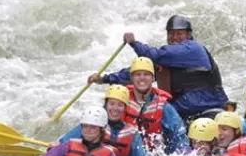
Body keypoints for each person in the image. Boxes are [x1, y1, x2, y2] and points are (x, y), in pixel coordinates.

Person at [88, 15, 229, 121]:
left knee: (156, 114)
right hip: (185, 107)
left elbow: (155, 56)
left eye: (179, 33)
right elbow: (139, 73)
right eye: (171, 34)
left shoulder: (193, 48)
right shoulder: (169, 58)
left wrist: (133, 43)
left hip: (207, 102)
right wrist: (105, 78)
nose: (174, 38)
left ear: (189, 35)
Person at [55, 85, 156, 156]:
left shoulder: (132, 133)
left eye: (120, 105)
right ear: (106, 105)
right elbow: (66, 142)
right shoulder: (92, 122)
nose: (115, 108)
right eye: (112, 104)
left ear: (125, 108)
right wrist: (56, 144)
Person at [121, 56, 190, 156]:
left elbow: (179, 137)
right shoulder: (121, 102)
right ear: (131, 78)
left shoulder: (164, 107)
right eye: (137, 74)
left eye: (146, 74)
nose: (142, 78)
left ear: (153, 78)